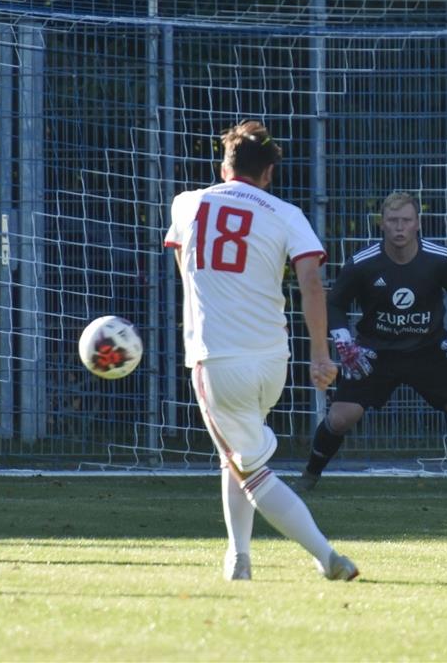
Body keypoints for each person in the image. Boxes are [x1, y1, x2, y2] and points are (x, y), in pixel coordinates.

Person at [164, 120, 359, 582]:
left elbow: (184, 269)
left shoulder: (187, 203)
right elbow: (312, 284)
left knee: (250, 468)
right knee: (236, 454)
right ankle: (239, 558)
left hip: (219, 360)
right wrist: (320, 355)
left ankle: (327, 556)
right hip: (273, 359)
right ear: (269, 172)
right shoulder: (286, 213)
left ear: (223, 164)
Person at [294, 191, 447, 495]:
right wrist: (344, 342)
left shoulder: (438, 259)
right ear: (382, 224)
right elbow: (335, 304)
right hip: (375, 352)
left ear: (418, 224)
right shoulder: (363, 263)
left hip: (428, 351)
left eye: (406, 221)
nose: (399, 228)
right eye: (393, 221)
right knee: (341, 417)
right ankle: (309, 476)